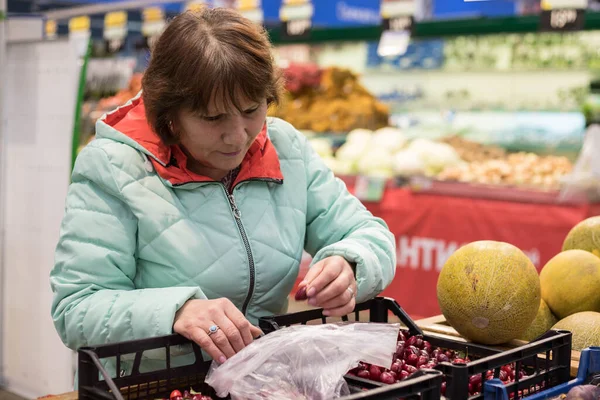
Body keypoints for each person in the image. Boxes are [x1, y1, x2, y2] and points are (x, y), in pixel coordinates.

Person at [50, 7, 396, 372]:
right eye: (212, 118)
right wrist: (177, 310)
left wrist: (350, 263)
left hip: (259, 380)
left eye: (251, 109)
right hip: (154, 386)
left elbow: (369, 234)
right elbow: (76, 309)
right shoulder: (113, 167)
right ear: (168, 114)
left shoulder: (285, 148)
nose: (237, 136)